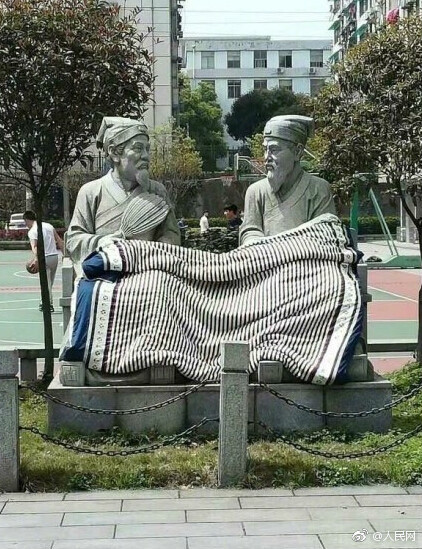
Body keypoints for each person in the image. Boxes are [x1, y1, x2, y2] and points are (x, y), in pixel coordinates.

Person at [66, 117, 180, 272]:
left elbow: (171, 235)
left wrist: (150, 255)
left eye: (147, 149)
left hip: (148, 273)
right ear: (114, 153)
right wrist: (103, 243)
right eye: (138, 148)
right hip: (103, 272)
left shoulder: (157, 190)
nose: (146, 156)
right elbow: (74, 240)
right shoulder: (91, 191)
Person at [239, 115, 336, 247]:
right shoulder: (256, 191)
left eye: (274, 150)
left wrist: (288, 251)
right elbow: (250, 230)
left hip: (306, 258)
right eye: (265, 150)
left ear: (297, 152)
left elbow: (326, 234)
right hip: (265, 257)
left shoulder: (318, 189)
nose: (267, 157)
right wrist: (256, 243)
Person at [23, 211, 63, 312]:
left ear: (26, 220)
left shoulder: (32, 231)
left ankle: (48, 304)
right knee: (50, 282)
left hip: (44, 258)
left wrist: (36, 259)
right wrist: (65, 254)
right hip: (54, 256)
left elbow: (34, 247)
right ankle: (43, 302)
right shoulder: (48, 226)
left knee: (46, 283)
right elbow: (59, 240)